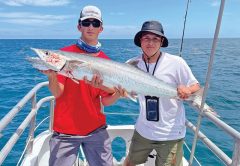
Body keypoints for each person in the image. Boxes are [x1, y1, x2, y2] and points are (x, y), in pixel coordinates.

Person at [41, 5, 121, 166]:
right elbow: (58, 93)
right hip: (65, 132)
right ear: (79, 26)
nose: (90, 27)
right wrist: (52, 77)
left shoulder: (106, 62)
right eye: (86, 23)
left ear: (101, 29)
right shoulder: (63, 55)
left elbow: (106, 101)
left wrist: (118, 93)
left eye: (95, 23)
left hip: (96, 129)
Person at [123, 20, 201, 166]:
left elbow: (195, 85)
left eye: (155, 39)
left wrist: (188, 90)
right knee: (129, 163)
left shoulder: (176, 62)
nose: (150, 43)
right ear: (140, 41)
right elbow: (126, 91)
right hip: (143, 130)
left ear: (161, 41)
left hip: (170, 133)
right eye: (146, 38)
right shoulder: (131, 64)